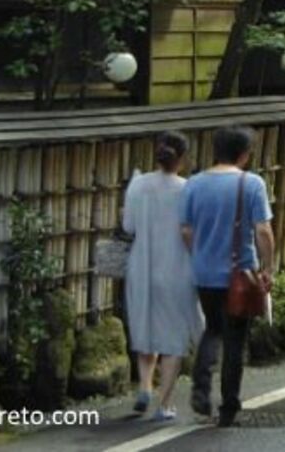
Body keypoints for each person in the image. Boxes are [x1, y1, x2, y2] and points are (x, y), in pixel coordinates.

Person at [182, 125, 275, 428]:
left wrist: (200, 253)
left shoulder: (193, 184)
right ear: (244, 154)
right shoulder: (251, 184)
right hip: (239, 273)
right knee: (235, 338)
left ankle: (201, 384)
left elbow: (185, 229)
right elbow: (262, 230)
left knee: (213, 328)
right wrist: (267, 267)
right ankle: (229, 406)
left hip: (204, 271)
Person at [122, 131, 203, 422]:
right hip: (177, 268)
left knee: (146, 326)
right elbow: (193, 230)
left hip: (141, 265)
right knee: (173, 337)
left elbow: (129, 227)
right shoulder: (189, 189)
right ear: (182, 158)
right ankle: (164, 403)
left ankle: (144, 385)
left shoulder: (138, 184)